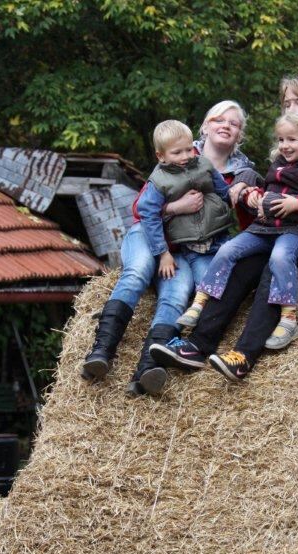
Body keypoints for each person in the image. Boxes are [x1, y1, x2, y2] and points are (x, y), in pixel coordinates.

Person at [150, 75, 298, 382]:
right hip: (289, 231)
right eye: (287, 103)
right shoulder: (290, 145)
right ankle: (196, 346)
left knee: (274, 269)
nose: (291, 108)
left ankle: (243, 355)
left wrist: (281, 202)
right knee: (240, 262)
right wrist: (248, 184)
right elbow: (270, 180)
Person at [81, 101, 258, 395]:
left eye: (234, 123)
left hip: (193, 248)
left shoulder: (242, 173)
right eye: (218, 119)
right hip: (157, 235)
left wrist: (249, 196)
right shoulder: (174, 155)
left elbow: (240, 218)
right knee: (138, 272)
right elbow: (141, 209)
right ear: (205, 125)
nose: (226, 125)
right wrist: (176, 208)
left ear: (240, 134)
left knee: (178, 294)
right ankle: (101, 351)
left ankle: (147, 369)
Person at [177, 112, 298, 349]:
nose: (284, 145)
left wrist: (297, 203)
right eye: (281, 140)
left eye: (291, 140)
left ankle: (288, 318)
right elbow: (268, 189)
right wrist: (255, 195)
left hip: (295, 230)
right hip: (264, 228)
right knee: (228, 250)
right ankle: (200, 301)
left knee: (280, 258)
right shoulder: (277, 165)